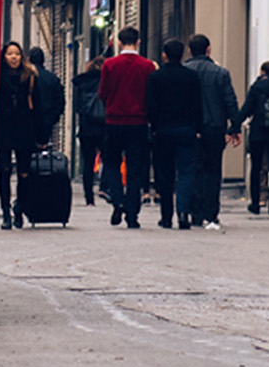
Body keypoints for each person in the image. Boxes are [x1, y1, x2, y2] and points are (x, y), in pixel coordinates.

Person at [99, 25, 157, 229]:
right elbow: (151, 95)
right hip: (138, 123)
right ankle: (132, 215)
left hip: (114, 121)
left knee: (112, 163)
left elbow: (103, 93)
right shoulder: (147, 66)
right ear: (138, 42)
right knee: (135, 168)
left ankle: (118, 200)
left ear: (119, 42)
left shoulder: (109, 65)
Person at [185, 34, 241, 230]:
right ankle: (211, 212)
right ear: (208, 49)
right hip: (215, 127)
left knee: (193, 169)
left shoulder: (184, 71)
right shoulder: (220, 73)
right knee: (213, 170)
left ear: (190, 51)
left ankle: (195, 211)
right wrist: (235, 127)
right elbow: (230, 101)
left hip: (190, 128)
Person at [145, 39, 203, 229]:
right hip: (186, 130)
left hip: (163, 131)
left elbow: (151, 106)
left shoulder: (156, 77)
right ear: (183, 54)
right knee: (186, 172)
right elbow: (197, 105)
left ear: (164, 55)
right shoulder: (191, 77)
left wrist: (154, 127)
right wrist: (197, 129)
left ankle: (166, 216)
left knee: (165, 174)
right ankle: (183, 212)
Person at [0, 42, 36, 231]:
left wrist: (41, 134)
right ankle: (5, 213)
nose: (14, 57)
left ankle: (19, 207)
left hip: (24, 129)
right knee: (5, 170)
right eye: (10, 54)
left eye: (17, 53)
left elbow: (37, 105)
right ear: (4, 57)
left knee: (24, 173)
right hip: (3, 129)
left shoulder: (30, 76)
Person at [239, 60, 269, 214]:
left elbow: (247, 108)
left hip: (258, 132)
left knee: (257, 167)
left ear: (262, 72)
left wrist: (234, 125)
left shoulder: (256, 87)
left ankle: (255, 202)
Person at [72, 54, 106, 204]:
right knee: (109, 159)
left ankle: (89, 198)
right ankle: (104, 188)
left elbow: (78, 107)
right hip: (105, 126)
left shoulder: (83, 82)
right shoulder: (106, 80)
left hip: (87, 127)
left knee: (88, 163)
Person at [31, 51, 65, 150]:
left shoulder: (26, 77)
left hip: (29, 121)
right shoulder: (52, 78)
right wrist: (53, 118)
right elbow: (60, 101)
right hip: (47, 120)